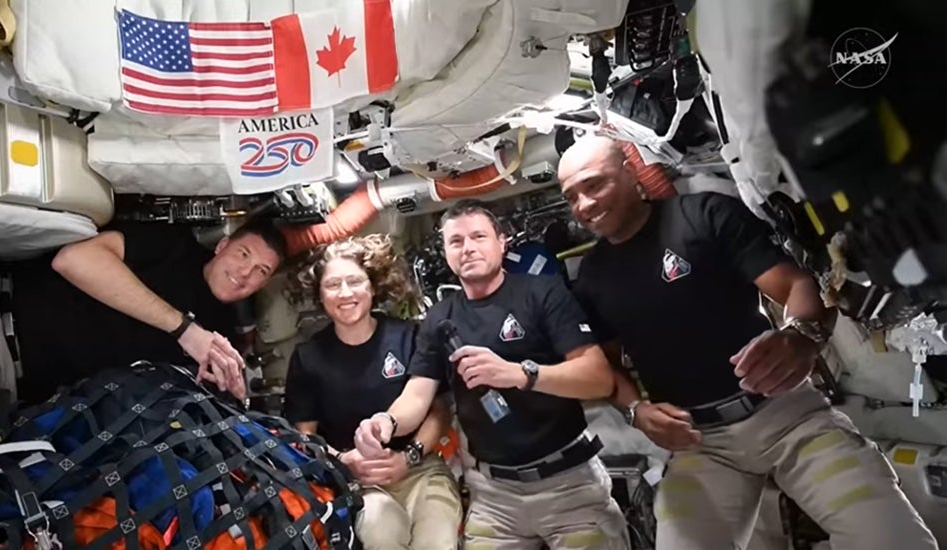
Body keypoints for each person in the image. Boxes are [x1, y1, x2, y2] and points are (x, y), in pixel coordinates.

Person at [558, 135, 938, 550]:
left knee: (892, 540)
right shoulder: (593, 277)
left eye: (593, 184)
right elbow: (607, 365)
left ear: (631, 172)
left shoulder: (702, 215)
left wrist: (801, 335)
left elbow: (797, 284)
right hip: (701, 444)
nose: (584, 205)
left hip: (786, 415)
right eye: (571, 196)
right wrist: (635, 410)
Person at [354, 200, 629, 550]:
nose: (467, 248)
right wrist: (386, 422)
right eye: (456, 241)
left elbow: (598, 378)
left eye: (478, 236)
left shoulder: (541, 293)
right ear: (447, 252)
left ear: (501, 242)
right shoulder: (439, 319)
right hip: (494, 498)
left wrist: (521, 374)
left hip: (570, 485)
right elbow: (417, 394)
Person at [0, 220, 285, 413]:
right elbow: (74, 260)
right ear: (222, 246)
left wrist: (230, 402)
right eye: (244, 255)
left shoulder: (222, 338)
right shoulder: (174, 246)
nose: (246, 273)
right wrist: (185, 330)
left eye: (261, 271)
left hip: (4, 385)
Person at [284, 235, 462, 550]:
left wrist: (410, 456)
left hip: (418, 469)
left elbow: (439, 411)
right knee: (382, 530)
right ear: (319, 294)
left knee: (437, 536)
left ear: (373, 286)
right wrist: (342, 462)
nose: (345, 293)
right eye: (333, 285)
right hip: (356, 480)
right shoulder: (308, 356)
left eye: (355, 281)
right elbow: (303, 437)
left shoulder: (409, 337)